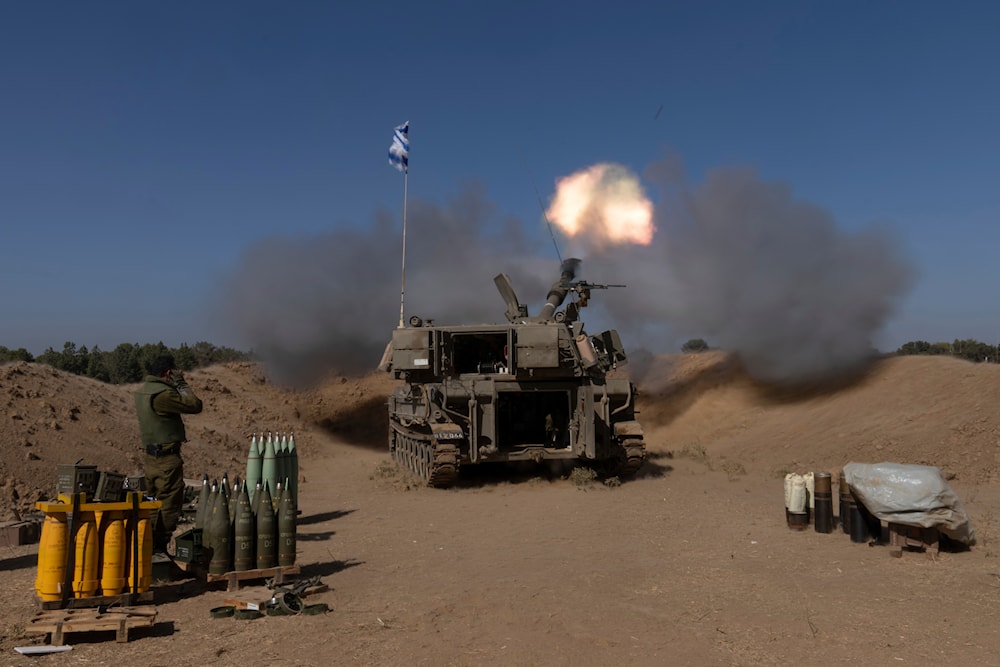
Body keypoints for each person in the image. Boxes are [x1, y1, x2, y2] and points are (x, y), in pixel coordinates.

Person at [134, 354, 203, 553]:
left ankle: (150, 547)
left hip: (150, 459)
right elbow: (195, 405)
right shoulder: (163, 395)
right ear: (168, 373)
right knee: (169, 505)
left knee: (153, 501)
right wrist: (181, 383)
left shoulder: (143, 392)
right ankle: (158, 548)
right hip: (166, 459)